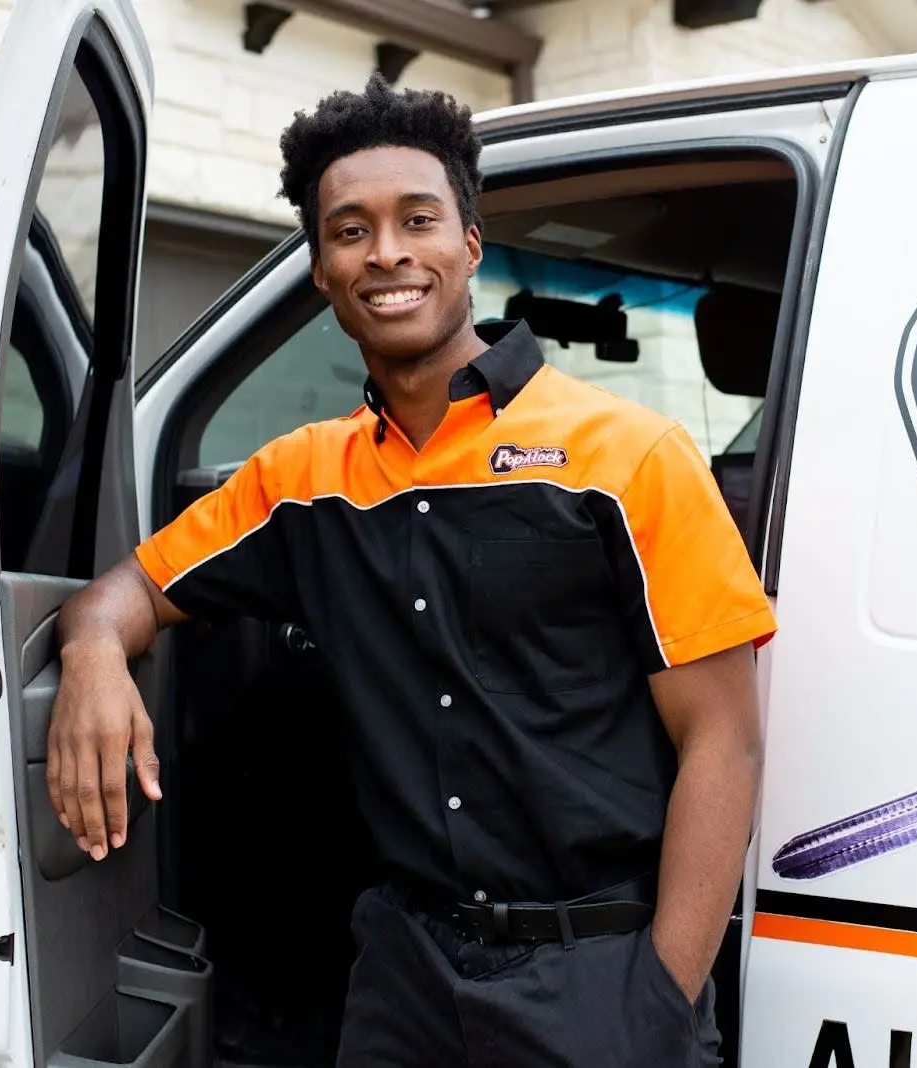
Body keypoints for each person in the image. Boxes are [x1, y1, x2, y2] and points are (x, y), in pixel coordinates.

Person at [44, 72, 776, 1066]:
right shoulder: (301, 481)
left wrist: (656, 998)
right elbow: (124, 591)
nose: (385, 251)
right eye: (349, 230)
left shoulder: (629, 456)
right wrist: (90, 651)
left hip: (594, 975)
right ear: (319, 267)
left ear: (468, 245)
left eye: (416, 220)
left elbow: (722, 742)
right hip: (402, 973)